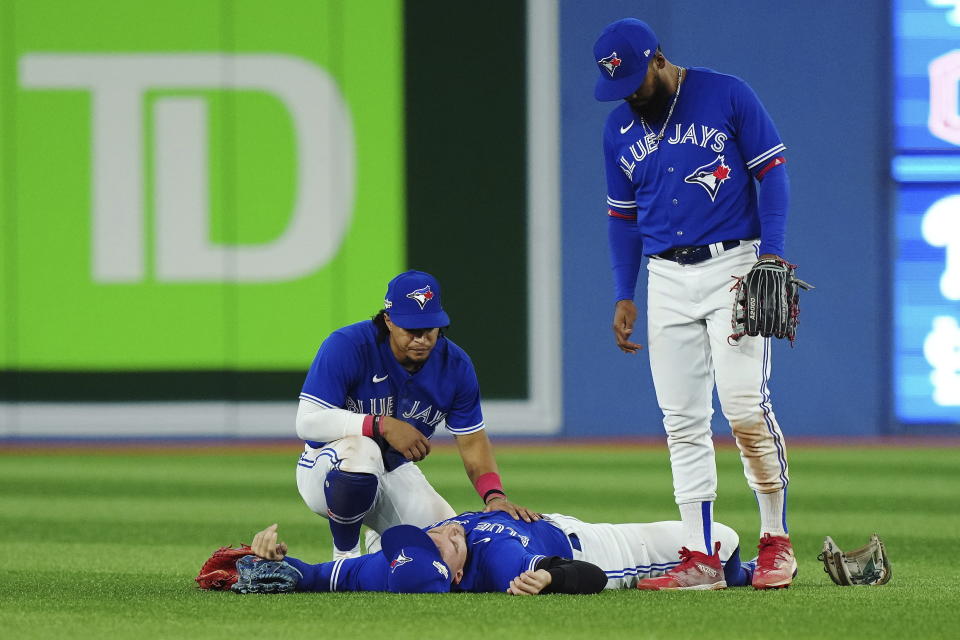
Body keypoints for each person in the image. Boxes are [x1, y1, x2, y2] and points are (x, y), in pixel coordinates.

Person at [592, 18, 797, 590]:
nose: (630, 93)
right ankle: (700, 557)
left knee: (743, 409)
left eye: (635, 78)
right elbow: (621, 217)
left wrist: (772, 256)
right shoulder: (618, 128)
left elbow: (773, 175)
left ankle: (776, 539)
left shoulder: (726, 93)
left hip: (734, 265)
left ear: (658, 59)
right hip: (665, 276)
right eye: (619, 85)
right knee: (682, 421)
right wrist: (623, 292)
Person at [295, 269, 539, 561]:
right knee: (362, 449)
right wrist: (380, 424)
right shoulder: (348, 345)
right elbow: (307, 422)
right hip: (328, 471)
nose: (421, 339)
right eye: (411, 329)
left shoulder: (456, 366)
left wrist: (494, 495)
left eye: (429, 329)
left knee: (451, 549)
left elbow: (472, 442)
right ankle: (344, 556)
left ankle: (381, 543)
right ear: (388, 320)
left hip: (394, 471)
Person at [241, 509, 754, 595]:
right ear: (456, 574)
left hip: (556, 521)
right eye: (438, 545)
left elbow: (313, 575)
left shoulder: (395, 566)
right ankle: (746, 574)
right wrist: (551, 580)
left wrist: (271, 557)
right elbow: (593, 576)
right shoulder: (502, 564)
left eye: (424, 536)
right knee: (719, 537)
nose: (436, 532)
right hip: (604, 547)